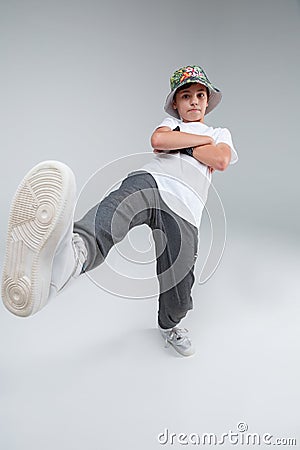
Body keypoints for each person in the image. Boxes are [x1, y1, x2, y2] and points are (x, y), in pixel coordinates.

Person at [1, 65, 238, 357]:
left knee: (179, 288)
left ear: (207, 101)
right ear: (175, 103)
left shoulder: (218, 132)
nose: (194, 101)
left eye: (200, 95)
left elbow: (222, 159)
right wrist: (200, 144)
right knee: (117, 209)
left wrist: (184, 144)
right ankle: (72, 255)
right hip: (152, 181)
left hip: (186, 210)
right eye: (186, 95)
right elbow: (159, 141)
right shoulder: (174, 124)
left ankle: (169, 324)